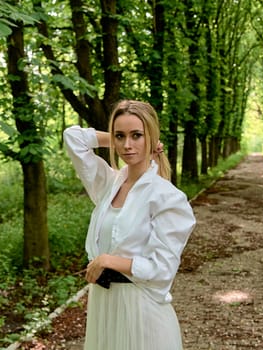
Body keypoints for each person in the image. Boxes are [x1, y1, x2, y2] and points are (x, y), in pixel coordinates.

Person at [63, 100, 196, 350]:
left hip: (141, 311)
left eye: (137, 135)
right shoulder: (108, 184)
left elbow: (162, 269)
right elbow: (73, 137)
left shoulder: (166, 197)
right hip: (104, 306)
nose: (127, 145)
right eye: (120, 136)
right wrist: (111, 139)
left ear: (152, 137)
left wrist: (108, 260)